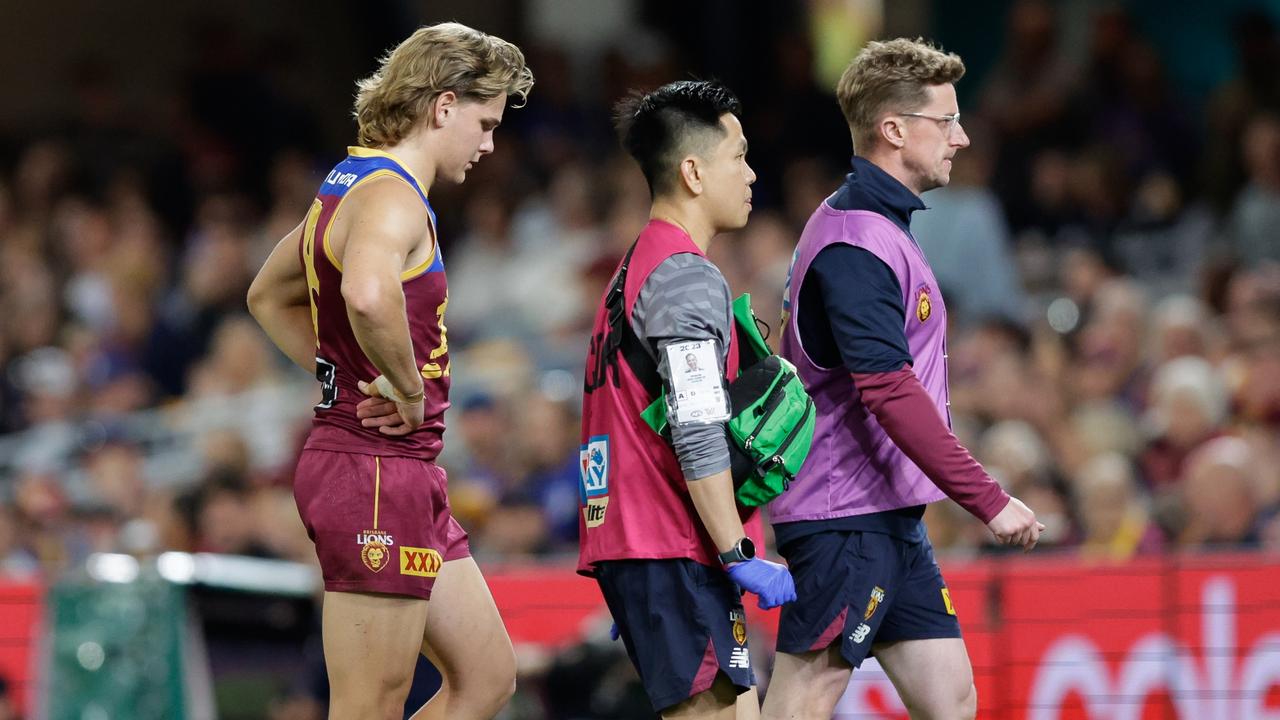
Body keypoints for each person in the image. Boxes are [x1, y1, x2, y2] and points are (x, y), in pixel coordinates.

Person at [246, 22, 532, 720]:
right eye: (484, 121)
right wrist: (401, 387)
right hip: (371, 466)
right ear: (442, 107)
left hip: (400, 468)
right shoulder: (392, 196)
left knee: (487, 678)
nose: (490, 143)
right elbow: (369, 294)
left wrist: (338, 376)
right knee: (370, 705)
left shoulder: (350, 185)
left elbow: (268, 294)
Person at [760, 38, 1043, 720]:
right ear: (893, 129)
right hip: (843, 519)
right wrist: (988, 498)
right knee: (808, 692)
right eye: (946, 122)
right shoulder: (857, 244)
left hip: (884, 516)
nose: (962, 138)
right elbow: (888, 392)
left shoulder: (871, 225)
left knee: (951, 700)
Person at [578, 80, 796, 720]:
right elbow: (697, 425)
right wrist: (736, 551)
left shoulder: (636, 269)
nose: (753, 175)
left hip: (646, 545)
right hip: (672, 544)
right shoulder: (684, 276)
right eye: (740, 157)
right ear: (694, 171)